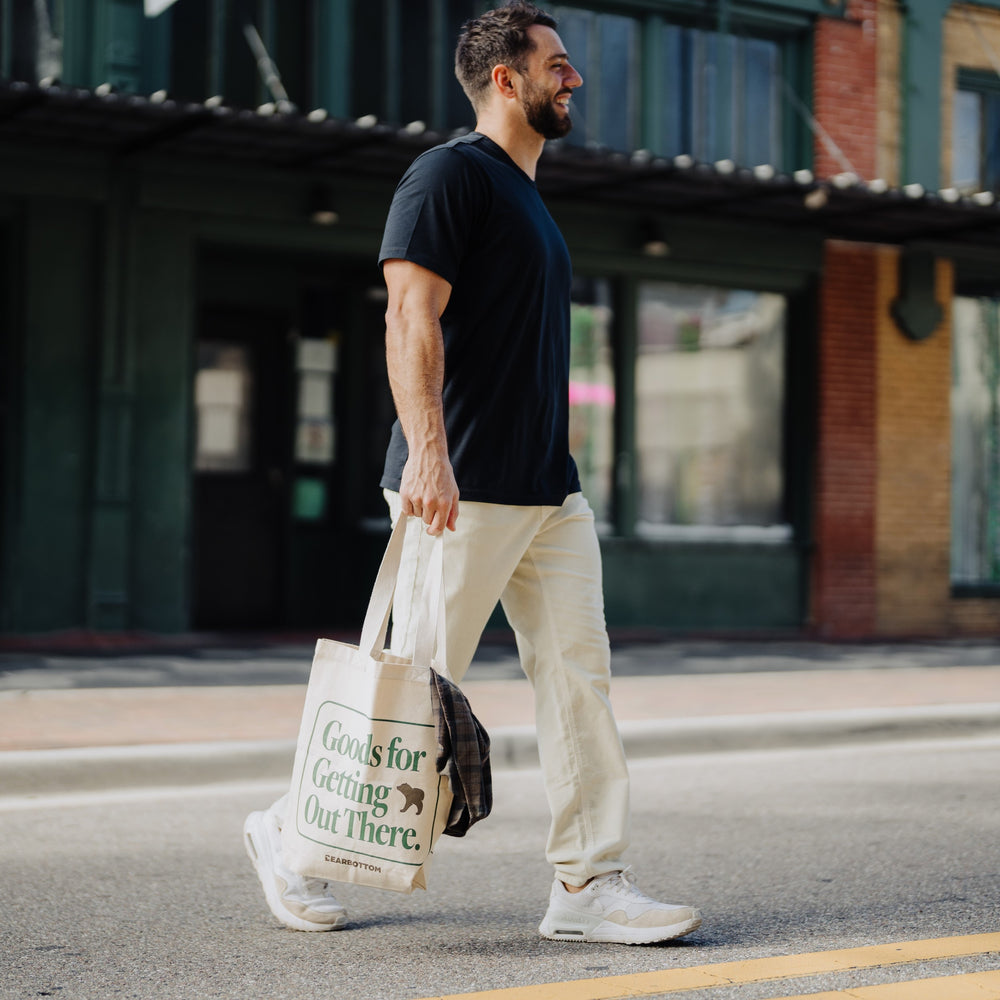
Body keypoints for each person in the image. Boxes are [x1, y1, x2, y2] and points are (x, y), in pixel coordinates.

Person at [244, 0, 702, 945]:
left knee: (580, 680)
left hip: (547, 487)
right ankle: (291, 836)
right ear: (507, 78)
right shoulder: (449, 175)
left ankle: (587, 884)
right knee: (410, 687)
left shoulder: (528, 197)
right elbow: (408, 318)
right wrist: (429, 456)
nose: (574, 77)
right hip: (462, 483)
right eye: (559, 63)